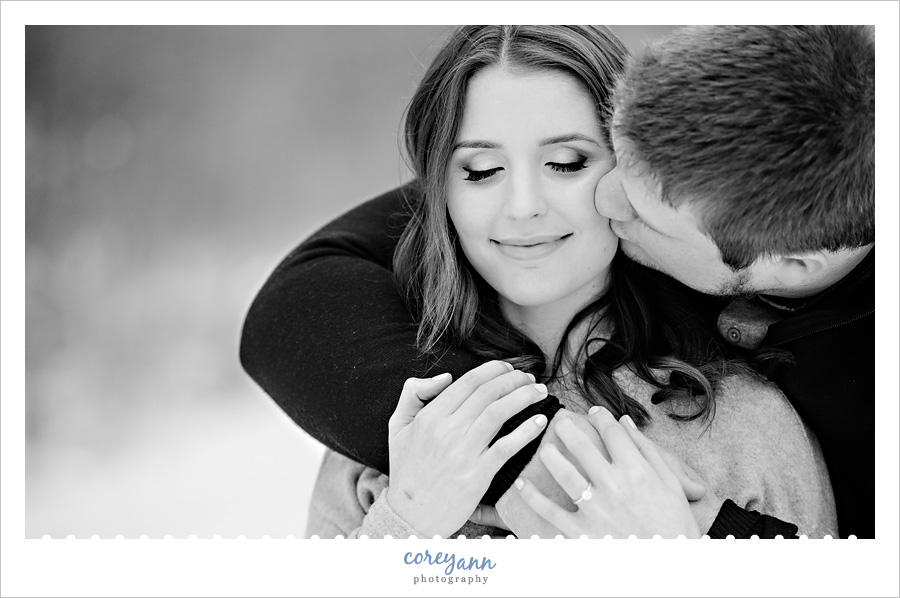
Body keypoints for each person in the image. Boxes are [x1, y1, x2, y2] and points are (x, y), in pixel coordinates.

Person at [240, 25, 872, 537]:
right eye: (481, 171)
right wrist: (405, 524)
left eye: (567, 163)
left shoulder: (747, 429)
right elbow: (293, 296)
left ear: (791, 262)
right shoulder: (402, 415)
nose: (522, 206)